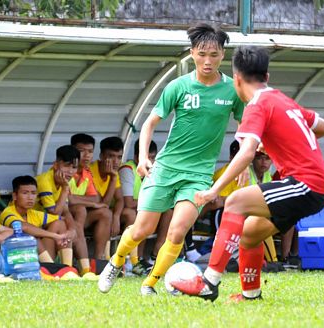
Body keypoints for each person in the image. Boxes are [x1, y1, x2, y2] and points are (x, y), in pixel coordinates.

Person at [171, 45, 324, 302]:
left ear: (236, 79)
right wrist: (279, 142)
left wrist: (214, 189)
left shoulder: (257, 104)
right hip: (314, 186)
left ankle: (209, 282)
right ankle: (250, 294)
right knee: (248, 233)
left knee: (233, 201)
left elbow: (245, 153)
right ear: (266, 77)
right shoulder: (281, 99)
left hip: (305, 184)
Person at [98, 23, 245, 295]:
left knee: (176, 232)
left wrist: (242, 161)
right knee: (142, 229)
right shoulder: (178, 86)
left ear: (223, 55)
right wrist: (143, 158)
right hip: (165, 169)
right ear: (192, 54)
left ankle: (150, 284)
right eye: (202, 54)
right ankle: (115, 261)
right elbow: (149, 124)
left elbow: (244, 128)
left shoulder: (232, 91)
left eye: (214, 54)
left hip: (198, 175)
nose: (207, 60)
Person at [118, 139, 172, 275]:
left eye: (154, 158)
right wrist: (153, 202)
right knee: (139, 214)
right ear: (138, 157)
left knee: (168, 211)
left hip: (141, 209)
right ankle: (135, 260)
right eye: (149, 158)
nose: (151, 162)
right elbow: (128, 202)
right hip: (123, 211)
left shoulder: (156, 171)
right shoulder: (127, 169)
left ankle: (156, 255)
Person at [35, 145, 90, 276]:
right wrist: (65, 189)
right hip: (33, 225)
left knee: (73, 226)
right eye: (67, 166)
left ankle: (85, 270)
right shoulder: (45, 180)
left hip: (46, 225)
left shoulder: (64, 181)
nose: (70, 171)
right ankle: (62, 269)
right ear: (55, 165)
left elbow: (65, 211)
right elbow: (55, 213)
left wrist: (72, 230)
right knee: (59, 223)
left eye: (74, 167)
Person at [0, 175, 75, 265]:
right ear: (15, 196)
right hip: (15, 259)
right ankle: (51, 268)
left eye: (33, 193)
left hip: (36, 257)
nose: (30, 197)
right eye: (25, 193)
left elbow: (65, 218)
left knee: (60, 224)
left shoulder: (33, 213)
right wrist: (55, 236)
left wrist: (71, 230)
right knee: (32, 237)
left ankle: (67, 268)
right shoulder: (8, 212)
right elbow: (24, 227)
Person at [69, 134, 112, 261]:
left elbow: (96, 198)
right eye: (82, 151)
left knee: (105, 213)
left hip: (78, 218)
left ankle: (98, 260)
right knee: (80, 209)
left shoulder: (86, 173)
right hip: (62, 217)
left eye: (90, 151)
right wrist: (92, 204)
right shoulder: (65, 170)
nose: (87, 155)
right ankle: (80, 263)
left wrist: (79, 200)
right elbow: (67, 200)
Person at [89, 136, 124, 254]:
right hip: (86, 215)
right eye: (111, 156)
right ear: (101, 156)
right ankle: (99, 259)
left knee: (129, 214)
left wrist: (117, 216)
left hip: (103, 214)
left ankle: (127, 260)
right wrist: (113, 178)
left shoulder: (114, 172)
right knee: (105, 213)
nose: (116, 161)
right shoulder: (90, 171)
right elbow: (104, 204)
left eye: (119, 157)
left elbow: (120, 199)